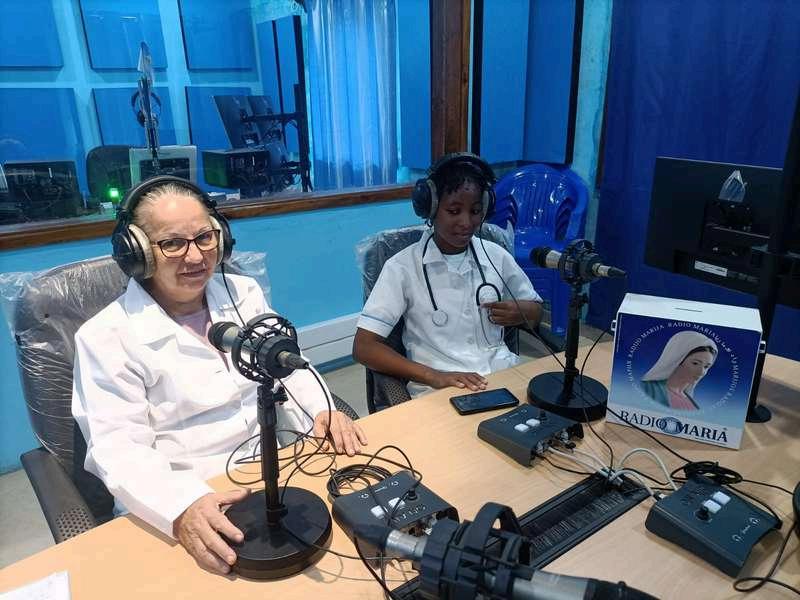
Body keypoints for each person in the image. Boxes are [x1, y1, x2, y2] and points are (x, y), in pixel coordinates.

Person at [72, 176, 366, 575]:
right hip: (185, 493)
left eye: (204, 237)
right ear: (137, 252)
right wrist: (182, 507)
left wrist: (321, 408)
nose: (195, 257)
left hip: (273, 469)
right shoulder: (105, 337)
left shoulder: (242, 294)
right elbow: (119, 450)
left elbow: (284, 360)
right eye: (172, 243)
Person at [352, 153, 542, 396]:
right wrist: (434, 376)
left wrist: (523, 312)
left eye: (475, 211)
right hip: (440, 389)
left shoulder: (496, 255)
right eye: (454, 211)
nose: (467, 222)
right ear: (430, 208)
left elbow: (536, 312)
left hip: (502, 375)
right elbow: (364, 347)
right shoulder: (401, 267)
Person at [639, 330, 718, 410]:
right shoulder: (647, 389)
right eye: (695, 363)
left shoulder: (694, 407)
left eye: (706, 367)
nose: (701, 372)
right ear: (677, 360)